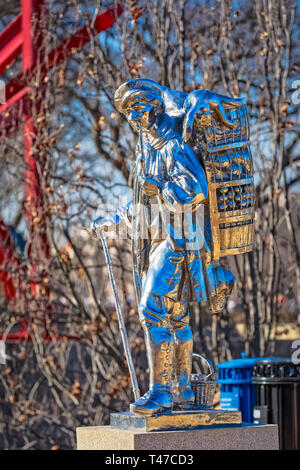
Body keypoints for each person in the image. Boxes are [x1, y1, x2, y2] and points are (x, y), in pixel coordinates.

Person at [92, 79, 235, 417]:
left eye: (138, 109)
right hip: (160, 239)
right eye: (129, 113)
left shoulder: (171, 146)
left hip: (177, 243)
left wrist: (160, 189)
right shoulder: (150, 150)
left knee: (151, 310)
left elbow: (194, 188)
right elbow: (142, 203)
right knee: (176, 316)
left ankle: (160, 392)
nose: (134, 118)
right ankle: (183, 389)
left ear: (154, 107)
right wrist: (114, 221)